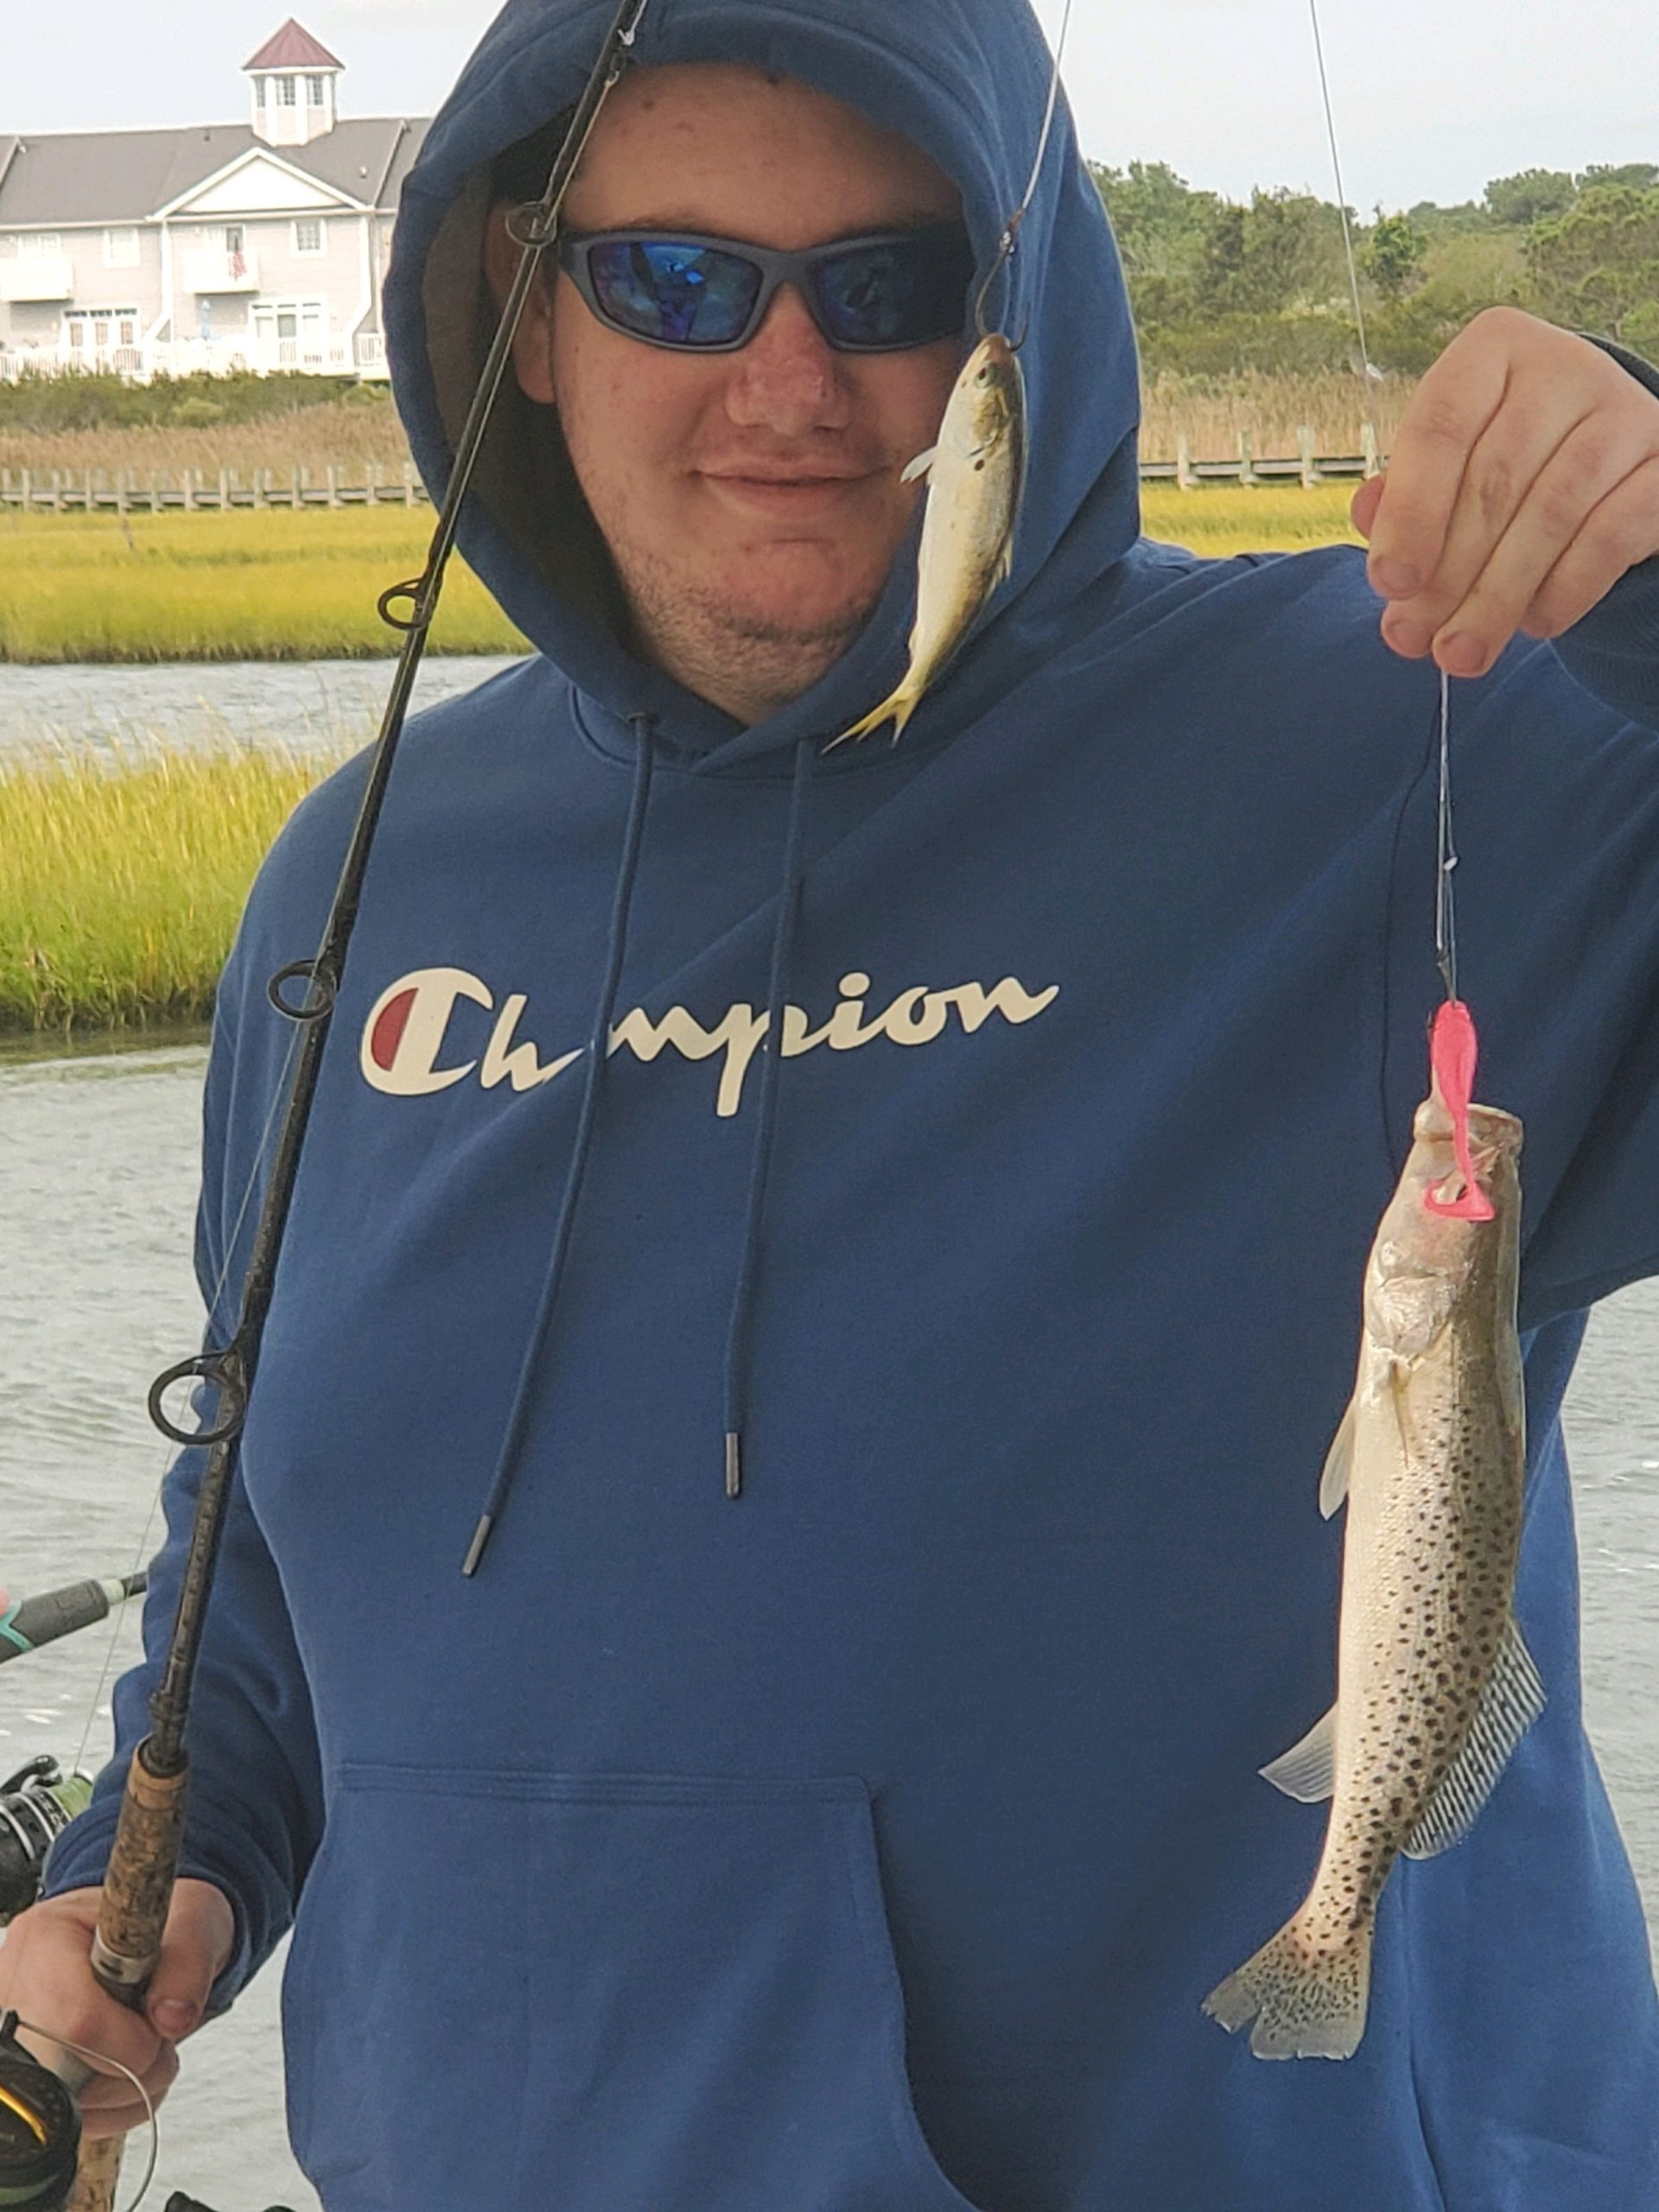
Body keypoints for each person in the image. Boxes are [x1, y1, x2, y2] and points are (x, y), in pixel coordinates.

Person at [6, 0, 1659, 2204]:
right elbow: (265, 1534)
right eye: (676, 279)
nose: (789, 381)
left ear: (1020, 316)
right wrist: (181, 1856)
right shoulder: (366, 878)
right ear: (525, 304)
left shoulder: (1405, 732)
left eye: (890, 285)